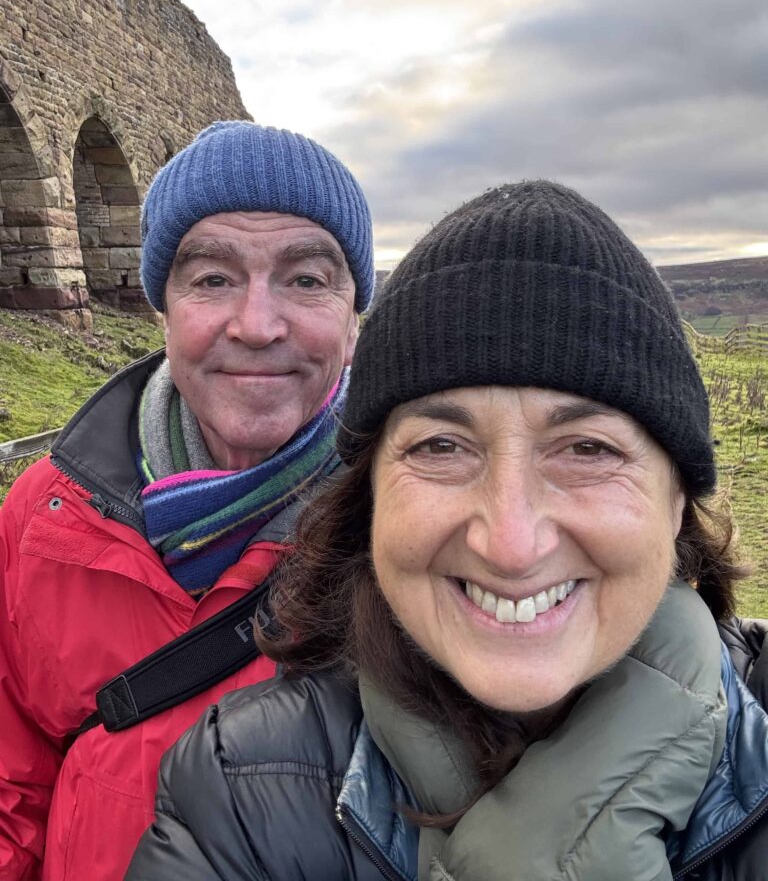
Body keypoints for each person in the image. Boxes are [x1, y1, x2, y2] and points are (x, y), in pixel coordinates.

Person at [128, 180, 768, 881]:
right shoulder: (237, 794)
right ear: (371, 496)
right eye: (441, 447)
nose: (512, 543)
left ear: (678, 499)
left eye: (588, 450)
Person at [0, 121, 374, 881]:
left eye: (306, 279)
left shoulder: (415, 532)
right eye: (212, 278)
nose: (257, 325)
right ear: (162, 309)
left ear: (354, 318)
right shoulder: (45, 513)